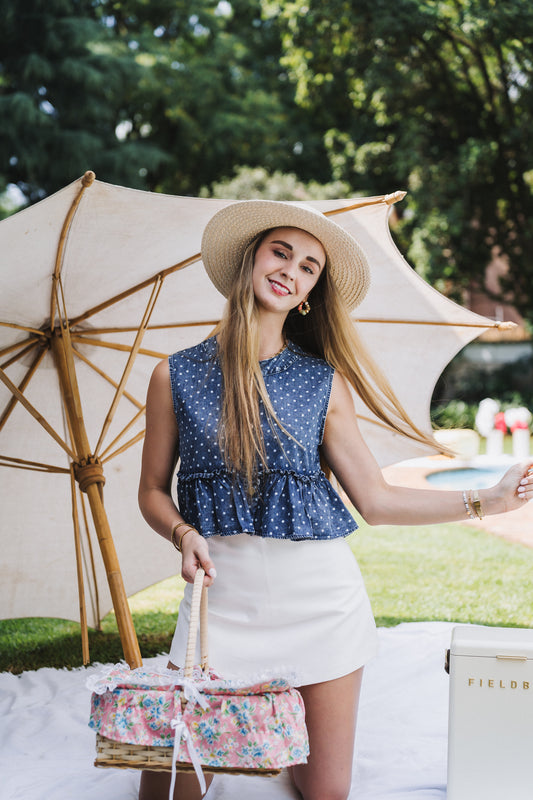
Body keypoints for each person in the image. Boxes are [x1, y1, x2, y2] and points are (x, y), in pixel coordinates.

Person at [138, 200, 532, 800]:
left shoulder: (323, 382)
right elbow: (151, 491)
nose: (291, 270)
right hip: (217, 608)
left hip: (321, 605)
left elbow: (373, 500)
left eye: (308, 267)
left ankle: (287, 726)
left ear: (307, 294)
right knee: (168, 790)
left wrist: (488, 500)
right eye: (280, 252)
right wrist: (183, 535)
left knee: (325, 793)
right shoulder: (176, 375)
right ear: (249, 260)